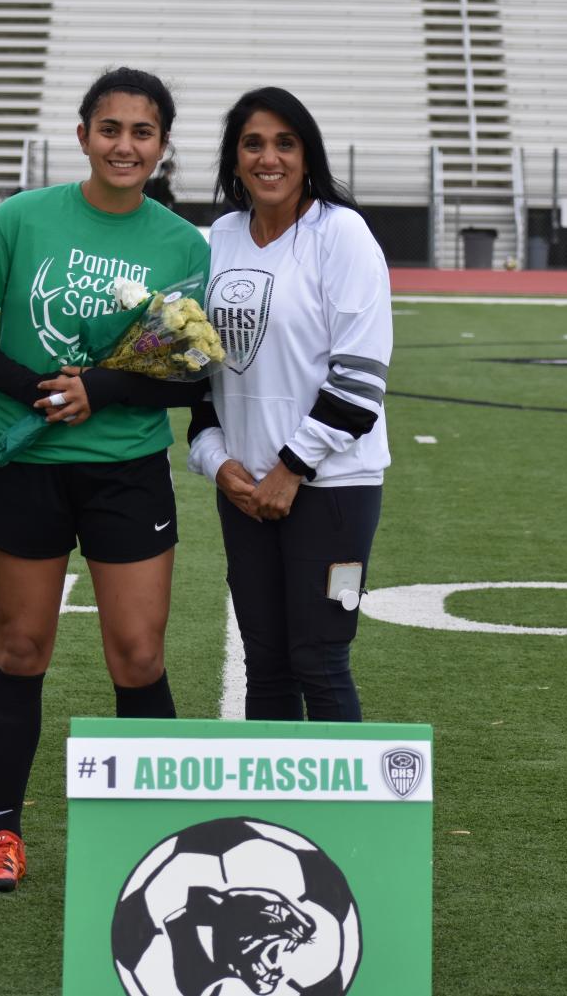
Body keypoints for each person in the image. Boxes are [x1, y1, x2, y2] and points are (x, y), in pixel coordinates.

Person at [0, 66, 209, 892]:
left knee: (137, 654)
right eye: (111, 128)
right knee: (20, 650)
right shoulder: (22, 217)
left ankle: (149, 839)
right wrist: (35, 388)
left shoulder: (182, 245)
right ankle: (4, 835)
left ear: (161, 146)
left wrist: (102, 389)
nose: (125, 145)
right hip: (25, 464)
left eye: (143, 132)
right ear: (83, 132)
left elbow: (191, 373)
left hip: (126, 471)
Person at [187, 87, 393, 722]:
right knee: (266, 659)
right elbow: (197, 372)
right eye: (253, 143)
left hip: (333, 488)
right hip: (244, 488)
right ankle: (274, 819)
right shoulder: (217, 237)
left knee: (321, 656)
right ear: (234, 157)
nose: (268, 158)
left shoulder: (342, 232)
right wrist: (217, 462)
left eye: (285, 143)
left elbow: (361, 378)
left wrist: (290, 469)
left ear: (308, 155)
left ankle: (348, 824)